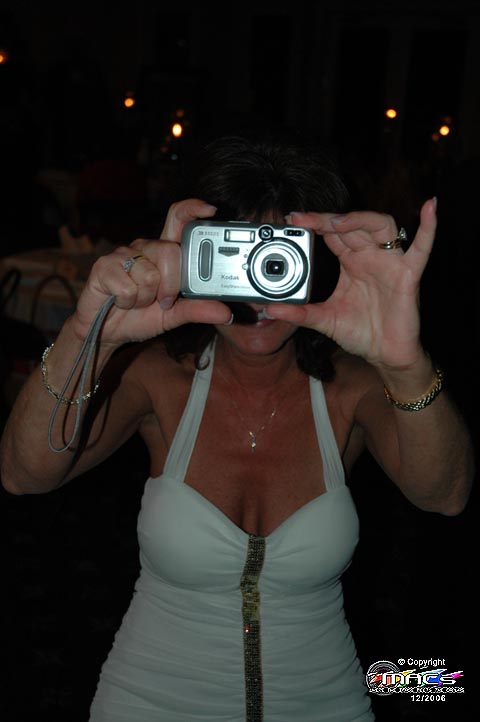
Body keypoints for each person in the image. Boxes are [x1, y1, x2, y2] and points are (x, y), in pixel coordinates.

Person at [0, 130, 474, 722]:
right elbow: (23, 474)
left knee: (451, 681)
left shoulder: (351, 390)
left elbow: (445, 495)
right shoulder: (158, 380)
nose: (257, 290)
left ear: (321, 263)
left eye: (277, 260)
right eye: (233, 256)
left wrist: (406, 365)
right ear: (194, 258)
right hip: (147, 705)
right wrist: (87, 334)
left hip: (327, 704)